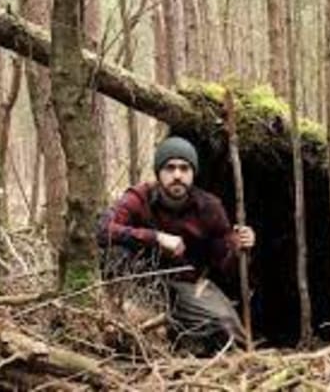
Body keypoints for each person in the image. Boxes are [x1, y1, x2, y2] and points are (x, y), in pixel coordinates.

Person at [96, 136, 255, 353]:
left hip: (187, 285)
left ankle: (187, 341)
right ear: (158, 172)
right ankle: (126, 328)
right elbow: (103, 230)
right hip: (141, 283)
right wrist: (156, 237)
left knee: (228, 328)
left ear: (193, 173)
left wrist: (238, 248)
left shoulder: (209, 207)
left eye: (184, 168)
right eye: (170, 168)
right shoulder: (139, 197)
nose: (177, 175)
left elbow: (225, 267)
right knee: (114, 252)